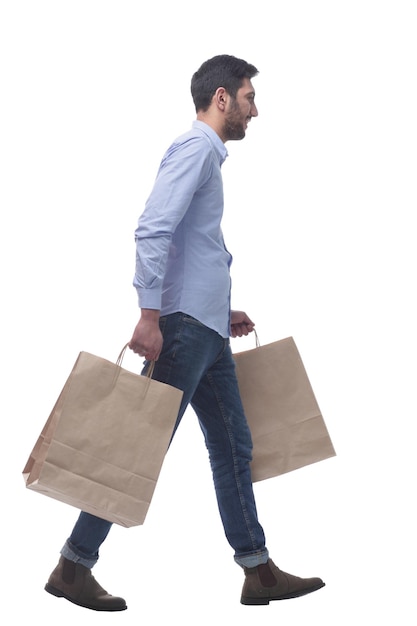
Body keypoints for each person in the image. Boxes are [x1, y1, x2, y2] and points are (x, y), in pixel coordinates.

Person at [44, 54, 325, 611]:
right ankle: (74, 565)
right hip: (181, 332)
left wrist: (221, 312)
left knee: (235, 447)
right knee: (138, 444)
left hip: (206, 332)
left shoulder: (207, 158)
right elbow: (153, 228)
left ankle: (258, 569)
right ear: (221, 98)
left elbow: (190, 246)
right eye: (248, 97)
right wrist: (150, 315)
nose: (255, 110)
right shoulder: (195, 149)